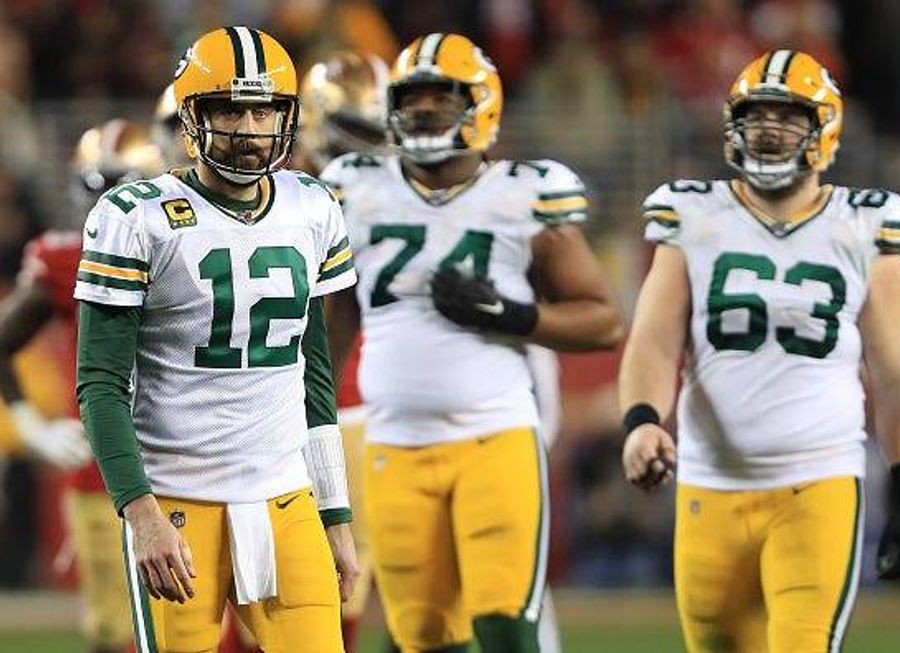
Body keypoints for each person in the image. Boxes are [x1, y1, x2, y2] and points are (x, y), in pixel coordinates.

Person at [619, 49, 900, 652]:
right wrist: (639, 423)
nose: (767, 130)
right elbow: (654, 341)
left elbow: (897, 376)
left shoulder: (865, 225)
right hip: (711, 483)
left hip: (817, 481)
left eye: (788, 117)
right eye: (756, 115)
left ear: (824, 129)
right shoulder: (692, 213)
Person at [322, 33, 624, 653]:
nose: (426, 112)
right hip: (394, 441)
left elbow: (603, 320)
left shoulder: (523, 192)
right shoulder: (355, 187)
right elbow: (333, 326)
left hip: (495, 436)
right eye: (414, 100)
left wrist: (512, 314)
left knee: (505, 621)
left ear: (480, 105)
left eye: (442, 99)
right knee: (420, 635)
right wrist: (302, 417)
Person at [74, 27, 358, 653]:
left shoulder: (313, 206)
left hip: (286, 497)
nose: (250, 127)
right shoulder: (136, 216)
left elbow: (313, 375)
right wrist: (140, 515)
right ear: (192, 116)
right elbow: (99, 383)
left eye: (264, 109)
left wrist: (334, 512)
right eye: (231, 108)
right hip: (178, 499)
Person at [0, 117, 164, 653]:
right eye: (97, 188)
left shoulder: (197, 246)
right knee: (114, 631)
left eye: (120, 187)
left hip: (195, 456)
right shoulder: (65, 256)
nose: (109, 205)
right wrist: (29, 424)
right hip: (107, 467)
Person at [297, 49, 388, 653]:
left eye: (371, 134)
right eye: (351, 129)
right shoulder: (273, 189)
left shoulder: (381, 194)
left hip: (359, 401)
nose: (361, 149)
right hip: (272, 400)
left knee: (350, 570)